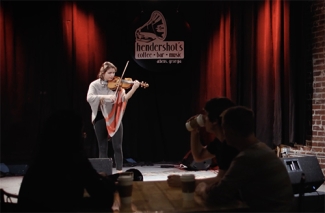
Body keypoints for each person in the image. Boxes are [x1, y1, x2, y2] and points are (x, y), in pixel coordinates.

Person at [195, 106, 294, 212]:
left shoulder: (247, 158)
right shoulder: (261, 148)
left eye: (224, 128)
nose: (223, 133)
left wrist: (202, 187)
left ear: (231, 131)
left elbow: (216, 196)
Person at [18, 109, 117, 212]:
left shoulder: (39, 162)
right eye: (82, 133)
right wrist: (105, 182)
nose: (84, 137)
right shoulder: (75, 160)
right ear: (73, 137)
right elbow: (105, 198)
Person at [168, 97, 239, 187]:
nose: (204, 119)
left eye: (206, 115)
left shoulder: (230, 145)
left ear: (215, 121)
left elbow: (221, 180)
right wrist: (194, 131)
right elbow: (199, 156)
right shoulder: (220, 141)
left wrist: (186, 182)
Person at [87, 61, 140, 173]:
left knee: (117, 146)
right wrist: (106, 97)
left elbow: (124, 98)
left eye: (114, 73)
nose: (112, 76)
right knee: (102, 147)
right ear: (103, 73)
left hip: (114, 118)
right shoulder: (94, 85)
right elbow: (89, 98)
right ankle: (103, 173)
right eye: (110, 73)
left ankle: (120, 172)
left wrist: (134, 88)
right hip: (100, 117)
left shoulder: (118, 86)